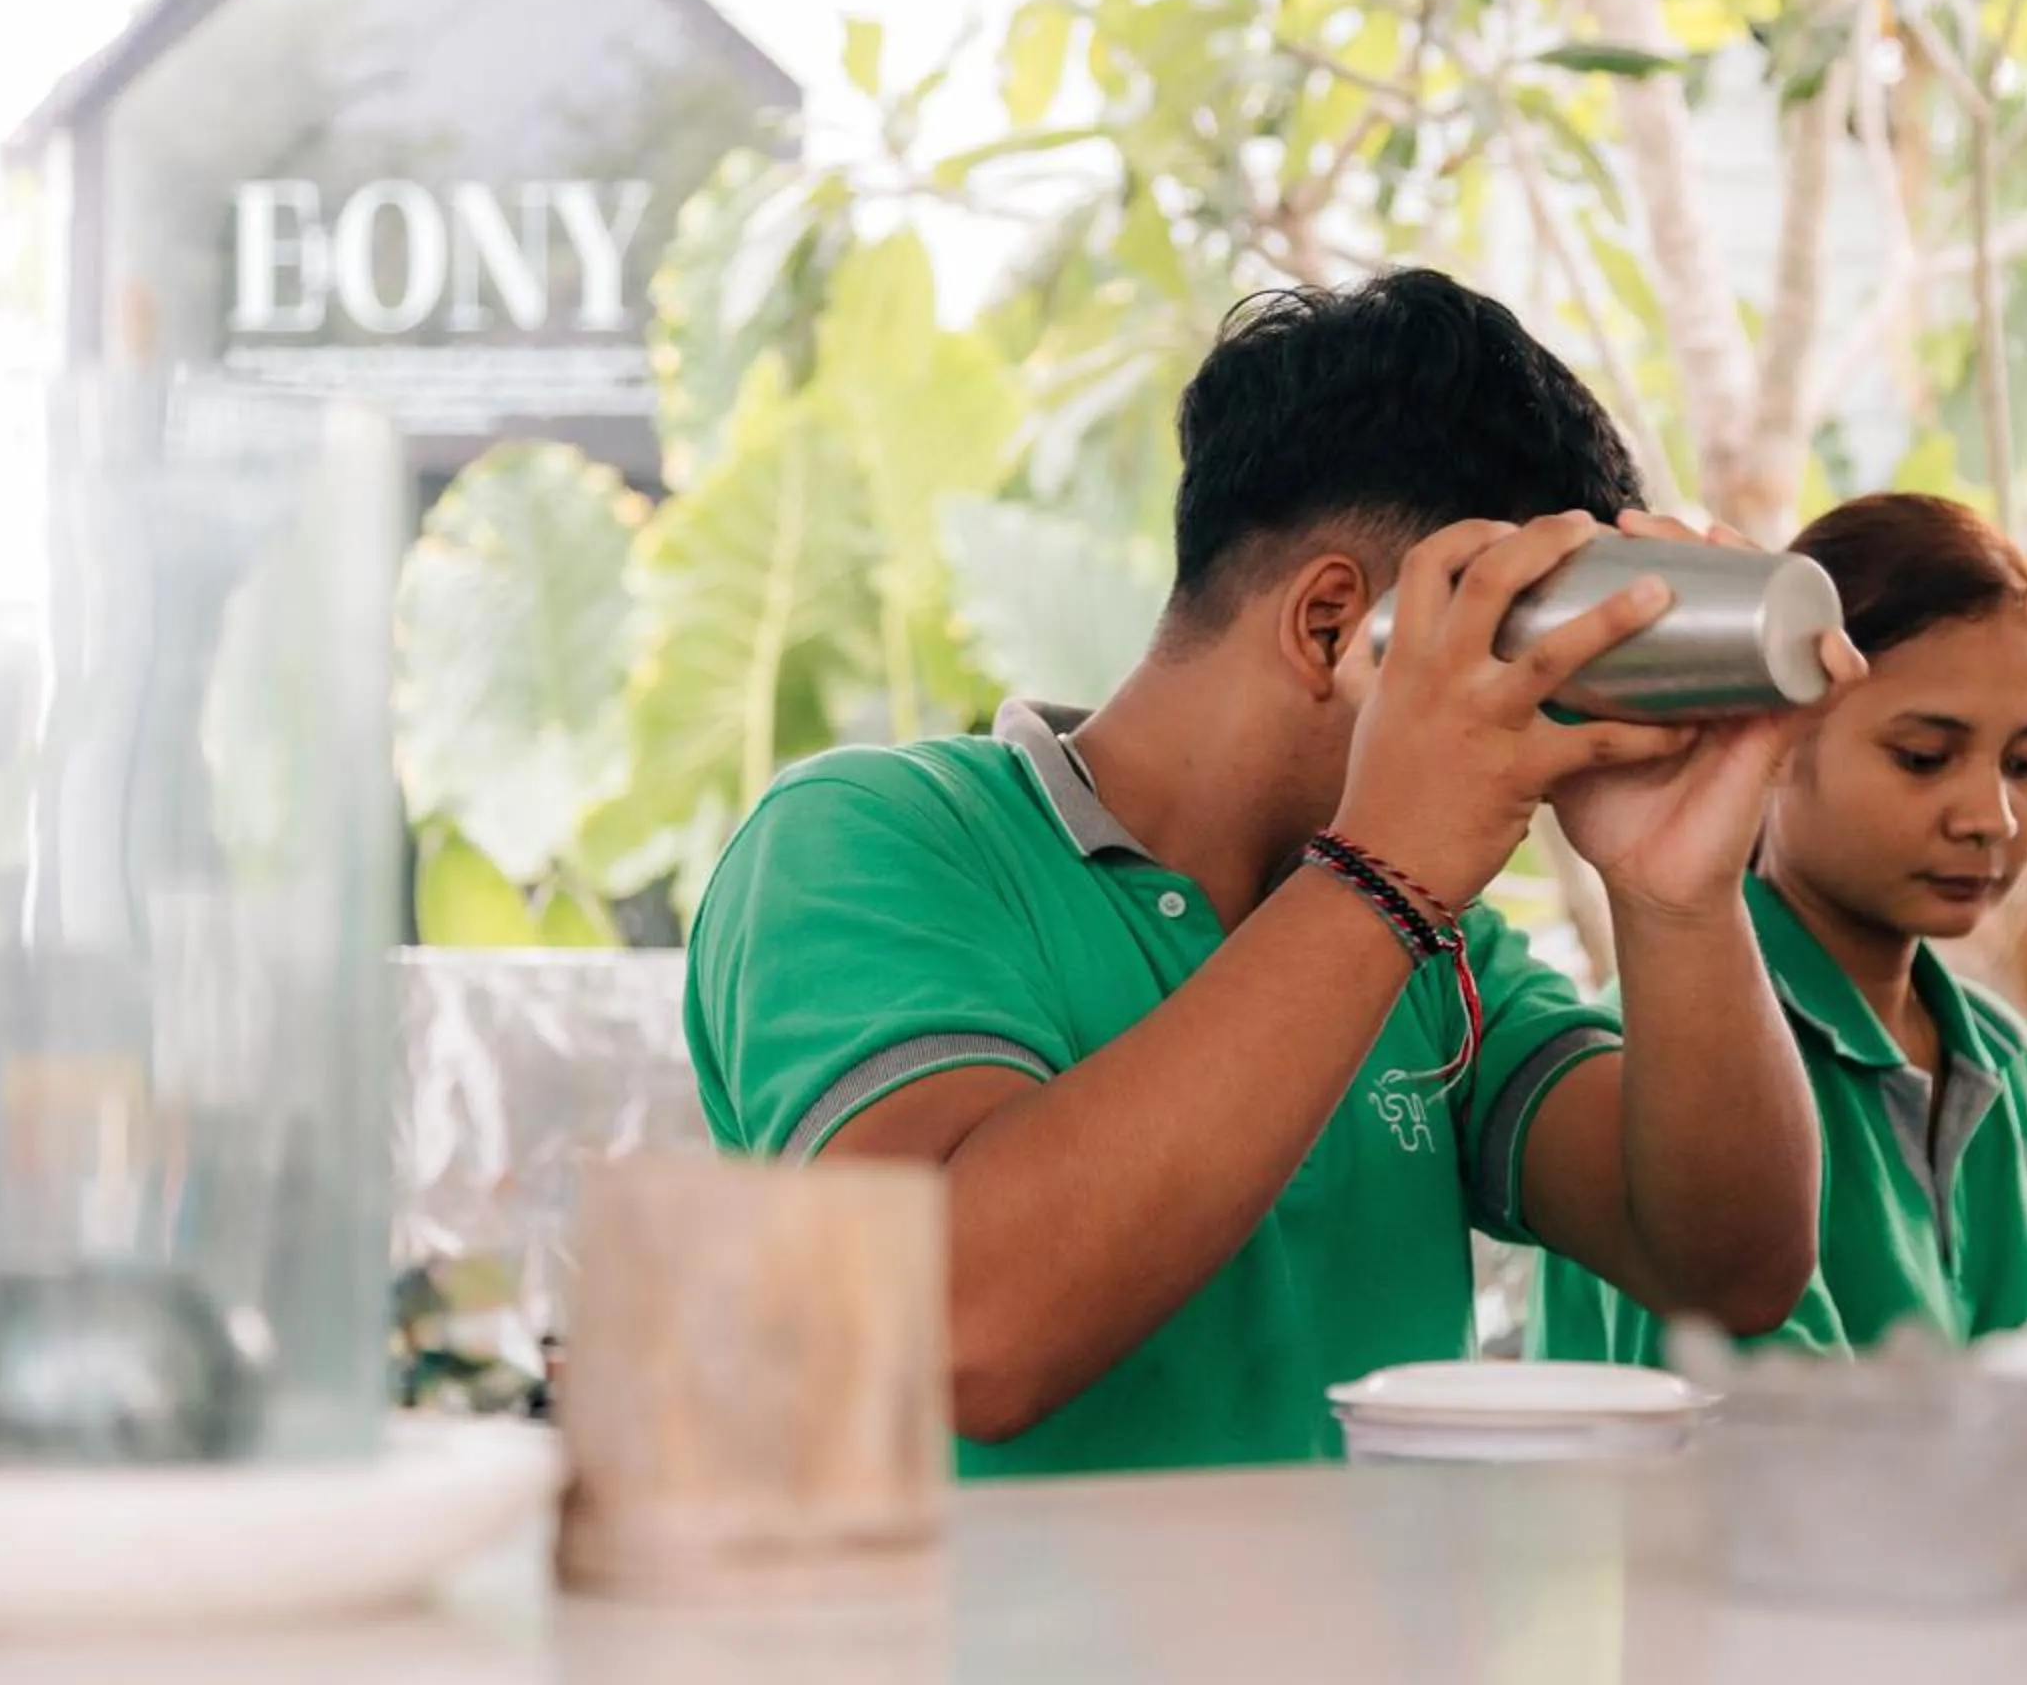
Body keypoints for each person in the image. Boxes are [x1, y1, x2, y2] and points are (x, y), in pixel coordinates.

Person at [686, 268, 1850, 1476]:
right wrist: (1386, 871)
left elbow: (1731, 1266)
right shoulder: (874, 837)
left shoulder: (1430, 952)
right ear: (1334, 624)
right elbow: (962, 1327)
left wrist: (1678, 898)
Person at [1532, 492, 2027, 1365]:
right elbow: (1733, 1431)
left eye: (2025, 762)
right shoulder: (1675, 1039)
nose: (1992, 817)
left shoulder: (2000, 1056)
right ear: (1776, 738)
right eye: (1924, 758)